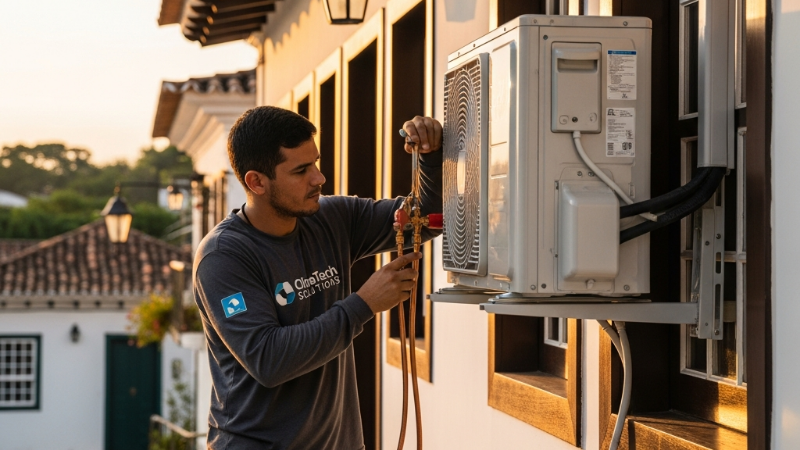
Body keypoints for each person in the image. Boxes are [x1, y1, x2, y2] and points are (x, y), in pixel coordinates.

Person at [193, 105, 443, 449]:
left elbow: (426, 219)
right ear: (257, 182)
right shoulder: (223, 257)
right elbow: (268, 359)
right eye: (301, 170)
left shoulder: (332, 217)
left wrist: (429, 155)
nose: (318, 178)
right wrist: (364, 304)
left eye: (315, 162)